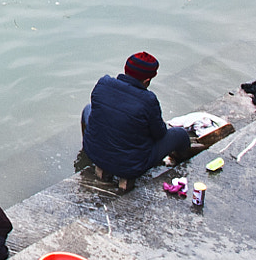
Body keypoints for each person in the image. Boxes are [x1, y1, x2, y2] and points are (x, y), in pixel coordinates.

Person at [82, 52, 194, 189]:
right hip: (130, 167)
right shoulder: (148, 100)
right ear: (147, 81)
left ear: (125, 69)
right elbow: (159, 134)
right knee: (180, 134)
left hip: (94, 153)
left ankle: (97, 154)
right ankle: (177, 159)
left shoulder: (103, 83)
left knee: (88, 109)